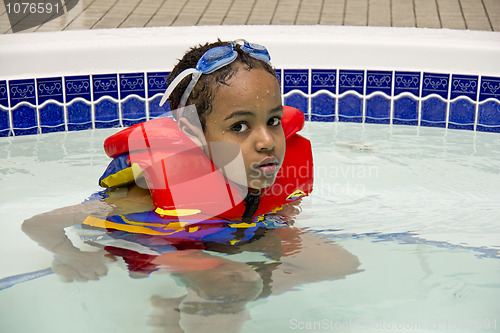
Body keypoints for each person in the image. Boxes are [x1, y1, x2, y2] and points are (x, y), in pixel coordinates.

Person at [22, 39, 361, 333]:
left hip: (229, 232)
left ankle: (195, 301)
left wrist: (274, 238)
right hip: (169, 244)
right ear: (192, 131)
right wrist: (70, 255)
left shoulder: (257, 166)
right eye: (240, 126)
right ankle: (187, 310)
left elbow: (279, 213)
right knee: (234, 286)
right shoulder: (143, 195)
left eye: (272, 121)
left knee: (339, 263)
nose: (267, 141)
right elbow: (38, 223)